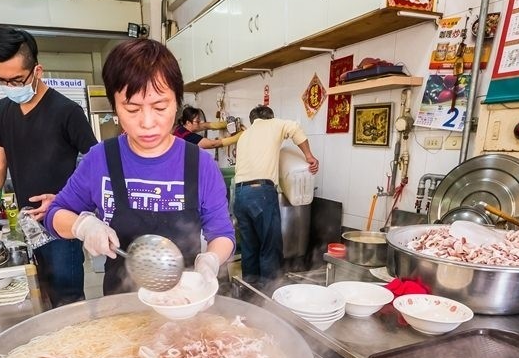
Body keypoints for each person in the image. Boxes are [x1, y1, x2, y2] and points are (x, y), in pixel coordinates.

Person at [46, 39, 234, 295]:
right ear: (115, 106)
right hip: (120, 310)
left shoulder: (200, 164)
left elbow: (222, 233)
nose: (147, 122)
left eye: (160, 107)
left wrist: (211, 260)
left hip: (182, 303)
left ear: (177, 103)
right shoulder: (100, 158)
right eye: (132, 108)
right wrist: (84, 226)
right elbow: (55, 214)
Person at [0, 26, 98, 308]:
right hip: (27, 221)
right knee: (41, 292)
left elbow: (96, 164)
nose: (9, 87)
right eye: (0, 79)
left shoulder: (66, 111)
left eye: (16, 80)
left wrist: (67, 201)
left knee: (68, 298)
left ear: (37, 71)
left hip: (61, 219)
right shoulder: (3, 109)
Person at [233, 105, 319, 286]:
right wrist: (309, 156)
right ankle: (269, 298)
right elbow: (295, 128)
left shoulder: (244, 136)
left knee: (250, 249)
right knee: (269, 248)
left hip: (240, 195)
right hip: (261, 194)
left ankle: (250, 297)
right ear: (270, 117)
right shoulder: (272, 124)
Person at [173, 106, 240, 150]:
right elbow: (213, 144)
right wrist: (238, 137)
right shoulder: (188, 137)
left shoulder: (180, 128)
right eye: (197, 121)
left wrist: (225, 123)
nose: (201, 122)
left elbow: (204, 125)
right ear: (188, 123)